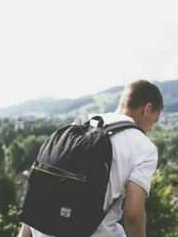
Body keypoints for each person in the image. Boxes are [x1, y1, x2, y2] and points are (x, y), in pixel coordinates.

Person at [19, 79, 163, 237]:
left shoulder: (78, 125)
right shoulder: (144, 147)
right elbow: (133, 214)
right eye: (154, 121)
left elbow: (42, 185)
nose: (151, 128)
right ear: (147, 108)